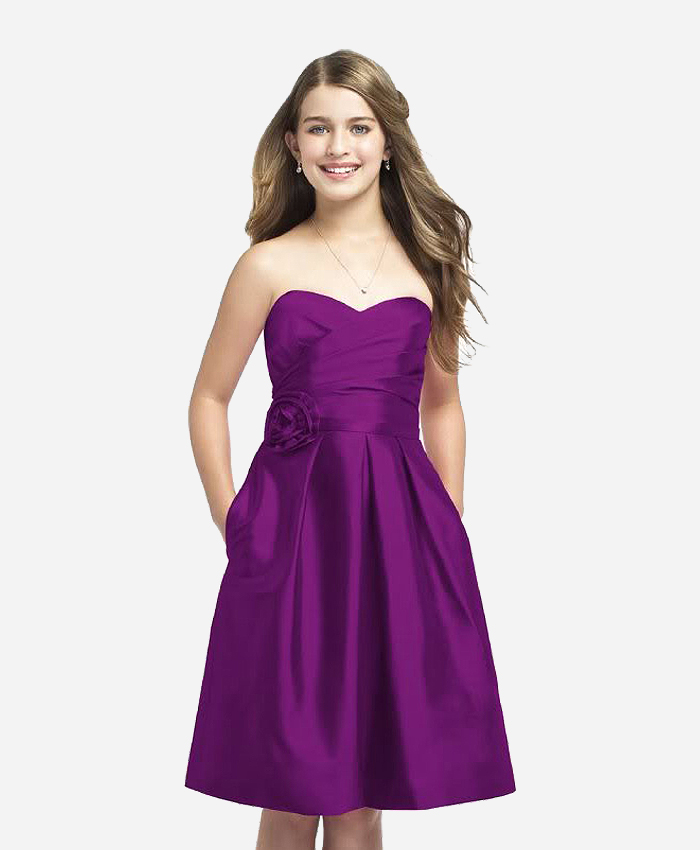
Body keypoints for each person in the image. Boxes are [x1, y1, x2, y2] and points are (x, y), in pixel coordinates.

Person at [184, 49, 516, 850]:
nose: (339, 146)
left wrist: (445, 523)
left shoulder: (427, 265)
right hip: (292, 533)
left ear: (388, 141)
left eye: (359, 127)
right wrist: (235, 520)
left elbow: (444, 405)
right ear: (293, 145)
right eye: (319, 128)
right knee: (292, 787)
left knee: (365, 794)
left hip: (397, 535)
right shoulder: (267, 264)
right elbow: (208, 398)